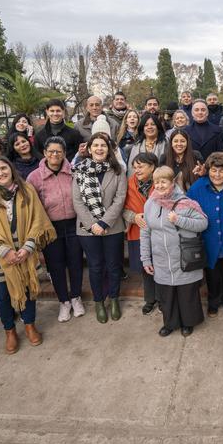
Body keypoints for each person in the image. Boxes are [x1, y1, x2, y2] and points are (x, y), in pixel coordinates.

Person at [0, 157, 55, 353]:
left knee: (28, 289)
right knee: (2, 295)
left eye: (3, 168)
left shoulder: (26, 189)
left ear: (11, 168)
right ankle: (9, 331)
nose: (0, 173)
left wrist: (28, 247)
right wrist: (4, 251)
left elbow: (38, 220)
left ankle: (30, 325)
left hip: (25, 249)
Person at [141, 166, 209, 337]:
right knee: (167, 294)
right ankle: (170, 323)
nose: (160, 185)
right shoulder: (150, 203)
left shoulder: (185, 202)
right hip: (161, 259)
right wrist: (145, 259)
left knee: (186, 293)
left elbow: (203, 223)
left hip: (183, 258)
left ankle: (188, 322)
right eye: (157, 182)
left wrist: (179, 220)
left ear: (172, 182)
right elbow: (145, 231)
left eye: (163, 181)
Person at [27, 137, 86, 323]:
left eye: (58, 152)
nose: (55, 155)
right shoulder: (34, 177)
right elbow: (31, 206)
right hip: (50, 228)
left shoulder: (74, 171)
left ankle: (76, 297)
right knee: (56, 266)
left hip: (74, 224)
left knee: (76, 262)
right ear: (45, 153)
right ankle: (64, 301)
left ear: (64, 153)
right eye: (51, 151)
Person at [72, 132, 128, 324]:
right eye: (95, 145)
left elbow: (120, 198)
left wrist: (104, 222)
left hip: (113, 227)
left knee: (113, 266)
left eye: (103, 145)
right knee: (95, 267)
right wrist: (93, 225)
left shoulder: (118, 170)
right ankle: (98, 302)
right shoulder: (79, 170)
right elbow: (77, 201)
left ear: (109, 149)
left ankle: (114, 299)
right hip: (87, 229)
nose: (99, 148)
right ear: (89, 149)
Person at [188, 152, 223, 317]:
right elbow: (187, 206)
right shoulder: (198, 187)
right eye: (213, 170)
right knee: (213, 275)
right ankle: (213, 302)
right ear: (207, 170)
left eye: (222, 171)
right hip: (209, 241)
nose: (217, 175)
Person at [124, 152, 160, 316]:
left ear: (152, 167)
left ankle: (162, 298)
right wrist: (133, 217)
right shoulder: (128, 184)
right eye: (135, 167)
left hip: (160, 232)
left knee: (161, 266)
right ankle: (150, 299)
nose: (137, 170)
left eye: (141, 166)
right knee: (146, 268)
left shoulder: (161, 183)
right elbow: (121, 208)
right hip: (138, 230)